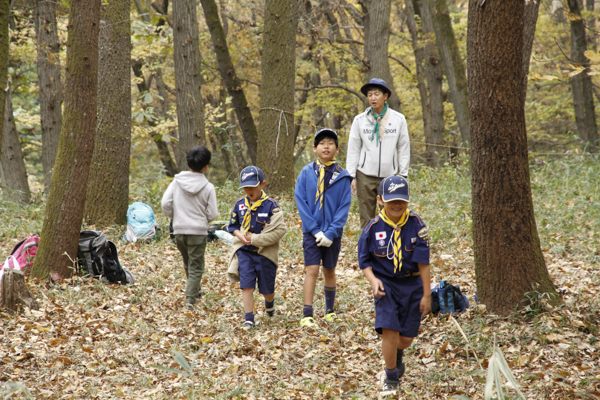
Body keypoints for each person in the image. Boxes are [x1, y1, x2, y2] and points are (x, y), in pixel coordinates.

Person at [357, 175, 430, 397]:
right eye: (391, 201)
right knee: (389, 330)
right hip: (386, 285)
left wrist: (427, 294)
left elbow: (423, 263)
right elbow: (364, 261)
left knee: (406, 338)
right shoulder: (372, 228)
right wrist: (373, 280)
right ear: (380, 200)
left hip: (412, 284)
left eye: (401, 200)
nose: (397, 205)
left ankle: (398, 355)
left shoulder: (417, 225)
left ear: (407, 200)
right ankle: (391, 377)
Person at [295, 128, 353, 327]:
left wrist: (330, 232)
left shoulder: (343, 176)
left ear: (337, 148)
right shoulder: (305, 172)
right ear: (314, 148)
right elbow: (301, 201)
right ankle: (307, 312)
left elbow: (344, 207)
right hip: (311, 232)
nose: (325, 146)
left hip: (332, 233)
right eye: (321, 143)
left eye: (330, 143)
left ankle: (329, 310)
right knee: (312, 269)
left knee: (329, 269)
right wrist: (314, 230)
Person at [227, 166, 287, 330]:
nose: (249, 190)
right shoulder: (240, 205)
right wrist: (241, 237)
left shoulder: (271, 206)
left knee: (266, 289)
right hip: (245, 252)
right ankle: (249, 319)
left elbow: (279, 230)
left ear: (262, 184)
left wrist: (254, 238)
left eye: (253, 186)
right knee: (246, 285)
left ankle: (270, 302)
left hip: (264, 254)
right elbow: (233, 226)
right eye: (246, 187)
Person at [346, 78, 411, 228]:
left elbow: (403, 147)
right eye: (370, 95)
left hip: (391, 176)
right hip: (364, 175)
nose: (373, 98)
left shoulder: (398, 119)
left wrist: (403, 175)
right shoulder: (360, 120)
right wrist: (350, 176)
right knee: (366, 219)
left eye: (376, 94)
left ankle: (391, 248)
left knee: (391, 216)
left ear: (385, 96)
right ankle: (367, 249)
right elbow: (353, 149)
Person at [161, 145, 218, 311]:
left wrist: (175, 217)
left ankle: (195, 291)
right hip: (197, 232)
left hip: (179, 230)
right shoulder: (208, 187)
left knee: (188, 262)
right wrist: (203, 221)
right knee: (197, 267)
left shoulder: (176, 182)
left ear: (187, 162)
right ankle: (190, 301)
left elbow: (165, 203)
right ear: (206, 166)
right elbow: (213, 213)